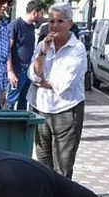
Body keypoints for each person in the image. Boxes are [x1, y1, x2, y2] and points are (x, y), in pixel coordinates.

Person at [27, 3, 88, 180]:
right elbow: (33, 74)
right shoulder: (43, 45)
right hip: (40, 108)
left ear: (70, 23)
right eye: (51, 21)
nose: (54, 26)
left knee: (62, 166)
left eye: (60, 21)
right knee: (42, 164)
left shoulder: (77, 49)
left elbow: (64, 83)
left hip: (66, 110)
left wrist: (41, 81)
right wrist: (44, 52)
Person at [8, 1, 45, 111]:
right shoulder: (15, 25)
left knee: (24, 101)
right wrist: (10, 71)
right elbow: (7, 49)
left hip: (28, 69)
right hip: (17, 69)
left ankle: (20, 126)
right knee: (11, 100)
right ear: (34, 12)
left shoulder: (31, 27)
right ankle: (6, 125)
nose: (42, 17)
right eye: (41, 13)